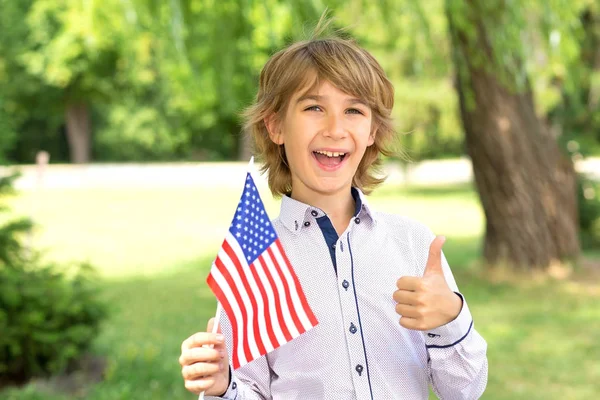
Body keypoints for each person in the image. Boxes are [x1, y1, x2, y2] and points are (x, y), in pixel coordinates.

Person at [179, 22, 488, 400]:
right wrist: (223, 387)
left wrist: (450, 319)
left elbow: (465, 391)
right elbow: (250, 389)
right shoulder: (254, 255)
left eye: (354, 110)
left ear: (373, 130)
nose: (335, 128)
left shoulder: (413, 244)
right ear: (275, 125)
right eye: (314, 107)